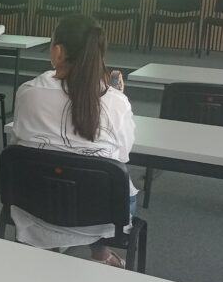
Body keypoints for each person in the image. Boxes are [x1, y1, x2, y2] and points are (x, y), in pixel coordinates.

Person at [10, 14, 136, 268]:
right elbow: (123, 155)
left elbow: (16, 143)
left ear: (57, 51)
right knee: (104, 179)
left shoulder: (28, 92)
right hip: (100, 217)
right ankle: (100, 253)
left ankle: (39, 251)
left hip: (34, 206)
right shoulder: (115, 101)